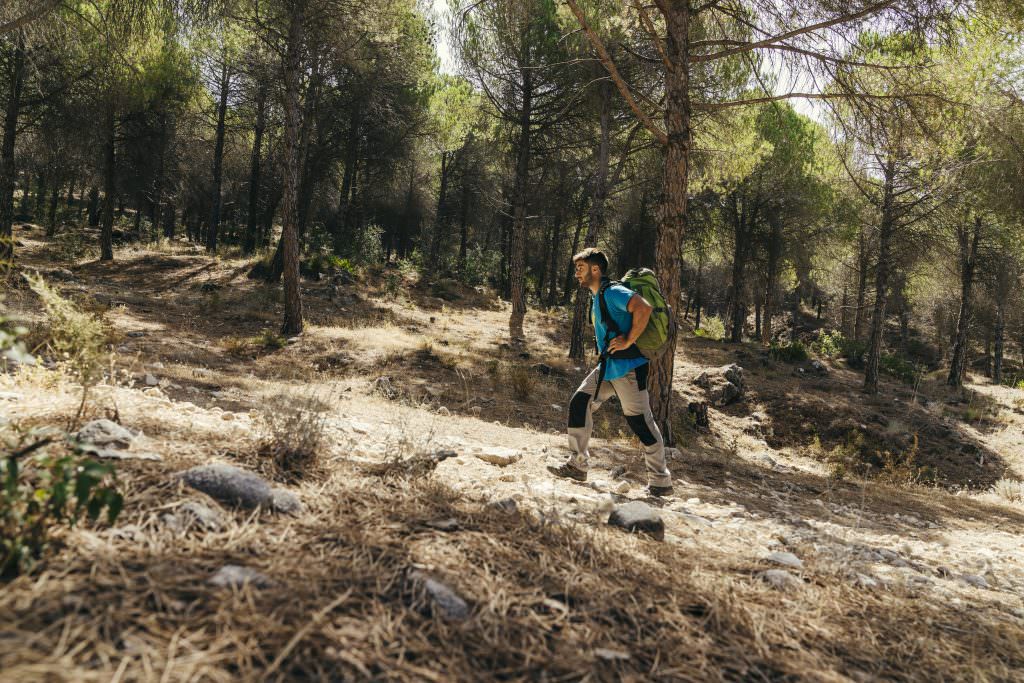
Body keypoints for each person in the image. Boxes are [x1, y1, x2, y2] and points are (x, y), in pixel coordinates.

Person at [547, 248, 673, 497]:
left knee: (642, 424)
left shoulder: (613, 291)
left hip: (628, 369)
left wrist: (628, 340)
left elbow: (644, 308)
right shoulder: (598, 296)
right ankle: (577, 465)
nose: (577, 274)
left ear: (596, 269)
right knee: (580, 402)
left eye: (581, 268)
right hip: (609, 368)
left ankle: (661, 482)